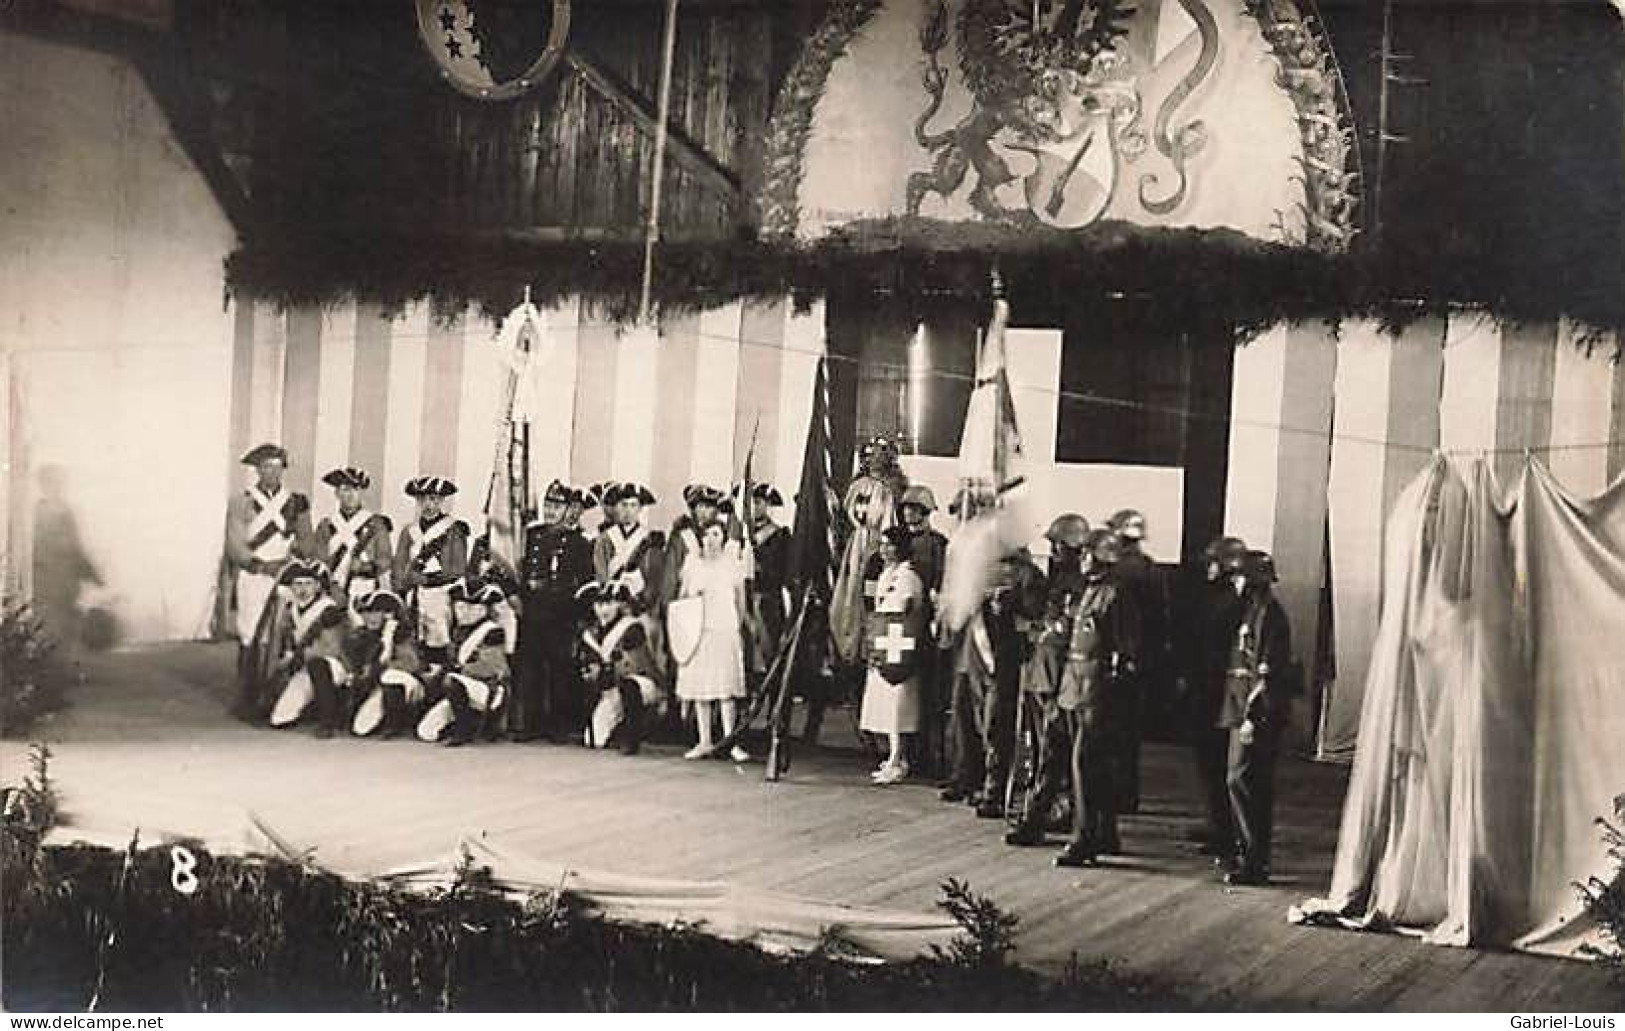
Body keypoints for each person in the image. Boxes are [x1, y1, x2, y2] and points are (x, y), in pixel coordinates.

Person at [1008, 527, 1141, 867]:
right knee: (1062, 757)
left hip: (1095, 693)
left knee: (1086, 766)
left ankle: (1085, 840)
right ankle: (1094, 833)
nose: (1081, 558)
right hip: (1070, 686)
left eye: (1087, 554)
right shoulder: (1090, 592)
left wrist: (1110, 698)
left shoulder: (1115, 595)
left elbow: (1124, 653)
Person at [942, 547, 1043, 817]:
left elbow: (1035, 613)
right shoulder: (977, 569)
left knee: (996, 724)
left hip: (1005, 660)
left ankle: (995, 789)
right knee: (970, 721)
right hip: (973, 658)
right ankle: (971, 778)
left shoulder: (1027, 575)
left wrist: (1010, 603)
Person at [1220, 550, 1295, 885]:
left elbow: (1266, 672)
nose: (1234, 582)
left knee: (1243, 780)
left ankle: (1254, 859)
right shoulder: (1252, 611)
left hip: (1256, 712)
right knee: (1246, 782)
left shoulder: (1269, 615)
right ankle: (1248, 855)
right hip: (1240, 706)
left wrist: (1252, 716)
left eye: (1238, 576)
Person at [226, 443, 316, 715]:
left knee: (284, 633)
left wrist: (296, 562)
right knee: (250, 633)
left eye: (277, 468)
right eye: (266, 467)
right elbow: (235, 543)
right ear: (257, 470)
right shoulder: (242, 501)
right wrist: (257, 565)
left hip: (285, 575)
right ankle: (248, 695)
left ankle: (279, 695)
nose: (272, 473)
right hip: (255, 574)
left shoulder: (296, 502)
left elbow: (305, 541)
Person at [1179, 536, 1249, 856]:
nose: (1209, 567)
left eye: (1214, 562)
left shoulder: (1229, 604)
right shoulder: (1222, 600)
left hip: (1215, 692)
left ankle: (1225, 829)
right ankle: (1219, 823)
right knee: (1211, 763)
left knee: (1215, 762)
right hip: (1209, 689)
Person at [513, 480, 595, 742]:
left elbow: (585, 581)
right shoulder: (531, 536)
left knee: (560, 669)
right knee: (531, 668)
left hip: (561, 612)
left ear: (566, 509)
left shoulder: (578, 542)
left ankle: (558, 725)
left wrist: (578, 613)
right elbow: (520, 570)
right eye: (548, 505)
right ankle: (531, 724)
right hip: (533, 608)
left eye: (556, 506)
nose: (550, 511)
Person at [674, 519, 751, 762]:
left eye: (715, 534)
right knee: (701, 688)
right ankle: (704, 740)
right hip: (700, 632)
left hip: (724, 630)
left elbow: (740, 602)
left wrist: (735, 626)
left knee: (725, 689)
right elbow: (683, 600)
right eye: (705, 534)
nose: (710, 539)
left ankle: (730, 741)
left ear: (723, 537)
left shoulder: (732, 566)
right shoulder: (693, 566)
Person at [1105, 508, 1163, 814]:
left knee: (1115, 731)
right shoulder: (1151, 569)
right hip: (1143, 661)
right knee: (1130, 733)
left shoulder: (1120, 571)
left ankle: (1118, 793)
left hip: (1121, 657)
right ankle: (1128, 793)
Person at [860, 526, 927, 785]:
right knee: (887, 706)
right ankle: (892, 756)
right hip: (887, 646)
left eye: (889, 545)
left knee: (899, 707)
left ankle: (899, 758)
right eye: (882, 544)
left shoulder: (907, 577)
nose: (884, 549)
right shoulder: (887, 573)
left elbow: (897, 609)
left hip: (900, 649)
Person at [830, 436, 907, 665]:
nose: (875, 459)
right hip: (855, 548)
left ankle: (868, 652)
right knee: (848, 598)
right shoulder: (857, 486)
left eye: (880, 454)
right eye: (871, 454)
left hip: (879, 546)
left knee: (872, 598)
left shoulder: (893, 488)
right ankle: (847, 653)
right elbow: (846, 517)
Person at [417, 577, 513, 747]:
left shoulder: (492, 632)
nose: (465, 612)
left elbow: (491, 668)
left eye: (473, 607)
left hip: (488, 690)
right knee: (426, 731)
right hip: (464, 687)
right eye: (461, 607)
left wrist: (459, 670)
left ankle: (465, 730)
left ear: (484, 610)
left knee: (452, 681)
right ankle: (462, 723)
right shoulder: (458, 632)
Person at [266, 560, 352, 737]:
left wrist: (301, 656)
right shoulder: (292, 608)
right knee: (280, 717)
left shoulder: (328, 609)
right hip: (306, 664)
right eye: (298, 584)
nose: (303, 589)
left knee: (318, 665)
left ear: (318, 586)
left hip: (336, 665)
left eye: (308, 584)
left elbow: (334, 649)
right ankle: (312, 709)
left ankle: (328, 721)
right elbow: (288, 638)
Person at [576, 579, 660, 755]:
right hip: (609, 690)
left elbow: (638, 664)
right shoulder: (591, 633)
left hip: (639, 683)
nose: (603, 610)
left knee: (629, 687)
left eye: (608, 603)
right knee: (595, 739)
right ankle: (616, 730)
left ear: (619, 605)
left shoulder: (632, 628)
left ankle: (631, 738)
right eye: (599, 604)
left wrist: (612, 668)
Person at [393, 477, 470, 667]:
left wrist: (427, 579)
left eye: (434, 499)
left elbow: (458, 568)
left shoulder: (453, 530)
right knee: (414, 644)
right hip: (415, 595)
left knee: (440, 646)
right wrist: (404, 584)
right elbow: (399, 565)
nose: (428, 505)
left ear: (441, 502)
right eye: (424, 500)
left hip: (441, 595)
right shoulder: (408, 531)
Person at [32, 465, 102, 655]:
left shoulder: (61, 512)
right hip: (46, 580)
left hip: (62, 582)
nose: (55, 487)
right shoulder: (38, 513)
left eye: (57, 482)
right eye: (51, 482)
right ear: (43, 484)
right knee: (50, 625)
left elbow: (76, 547)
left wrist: (94, 576)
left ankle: (64, 664)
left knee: (64, 625)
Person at [314, 467, 393, 620]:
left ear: (361, 493)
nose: (350, 495)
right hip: (332, 590)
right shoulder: (326, 525)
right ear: (337, 493)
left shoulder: (376, 524)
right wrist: (332, 587)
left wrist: (365, 567)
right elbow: (319, 562)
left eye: (355, 490)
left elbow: (385, 560)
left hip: (364, 589)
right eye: (345, 490)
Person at [348, 589, 428, 738]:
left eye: (375, 612)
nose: (370, 618)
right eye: (365, 613)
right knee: (361, 728)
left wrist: (381, 666)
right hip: (377, 685)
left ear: (388, 614)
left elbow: (411, 664)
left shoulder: (400, 633)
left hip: (407, 684)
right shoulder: (361, 635)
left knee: (390, 676)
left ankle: (394, 724)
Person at [739, 483, 791, 678]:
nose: (755, 507)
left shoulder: (779, 535)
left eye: (760, 502)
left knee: (768, 649)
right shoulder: (740, 534)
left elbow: (781, 569)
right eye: (752, 502)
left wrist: (758, 562)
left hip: (767, 599)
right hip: (744, 597)